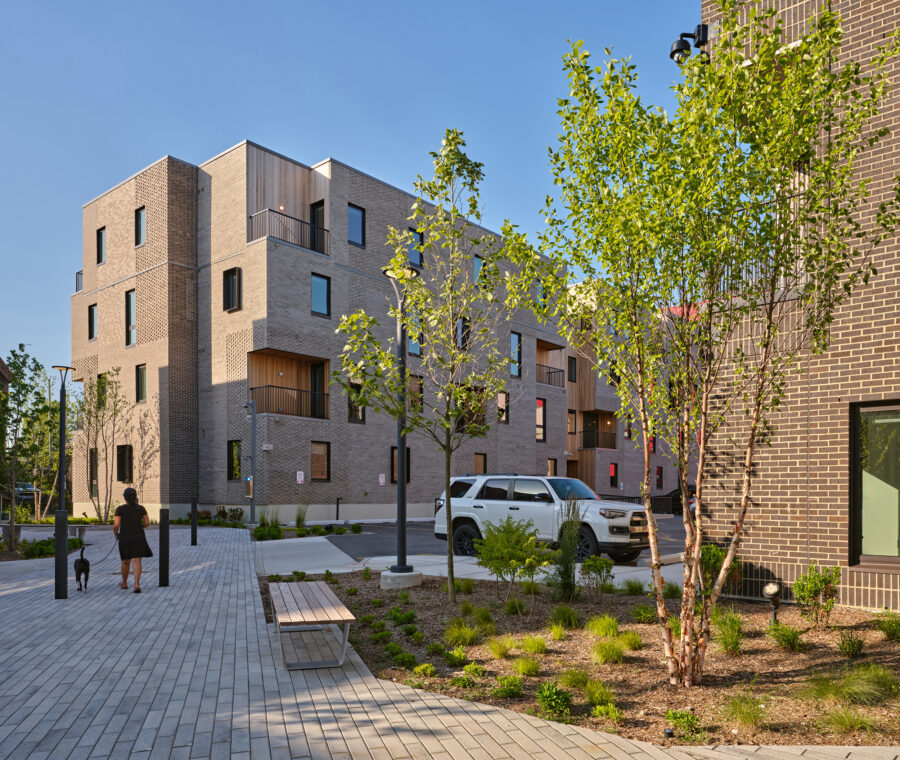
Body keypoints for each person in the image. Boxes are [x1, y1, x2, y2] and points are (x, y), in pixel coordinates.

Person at [113, 488, 152, 593]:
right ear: (135, 497)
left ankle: (124, 583)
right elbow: (147, 523)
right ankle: (136, 584)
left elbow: (116, 525)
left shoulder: (120, 509)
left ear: (125, 498)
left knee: (125, 561)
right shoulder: (141, 508)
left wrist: (116, 533)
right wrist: (140, 526)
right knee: (137, 560)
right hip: (138, 536)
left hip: (125, 537)